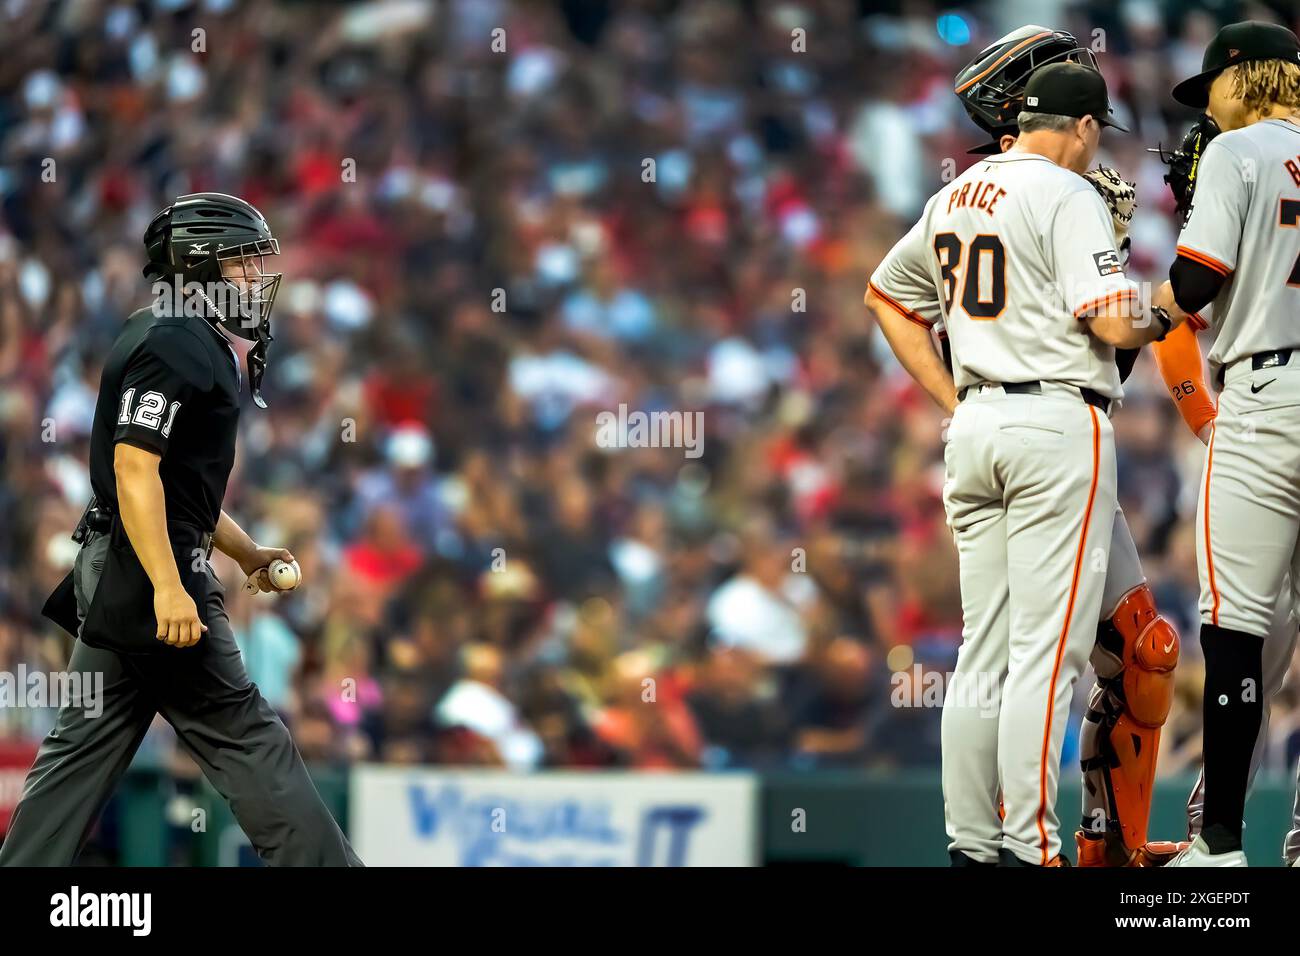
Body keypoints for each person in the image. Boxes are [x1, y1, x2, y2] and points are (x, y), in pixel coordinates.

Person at [867, 62, 1184, 866]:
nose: (1093, 154)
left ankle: (972, 846)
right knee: (1048, 654)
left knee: (984, 652)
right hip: (1052, 425)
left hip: (976, 425)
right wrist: (1168, 305)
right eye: (1093, 136)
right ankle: (1032, 846)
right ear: (1080, 127)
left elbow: (888, 299)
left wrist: (955, 401)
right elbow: (1115, 327)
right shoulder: (1066, 193)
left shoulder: (954, 195)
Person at [0, 193, 362, 867]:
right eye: (242, 264)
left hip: (131, 562)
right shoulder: (175, 340)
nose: (256, 281)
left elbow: (171, 486)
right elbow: (134, 468)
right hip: (149, 572)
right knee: (248, 737)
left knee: (78, 757)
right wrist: (168, 587)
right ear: (197, 268)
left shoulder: (176, 334)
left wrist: (246, 551)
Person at [1152, 21, 1300, 867]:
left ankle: (1220, 844)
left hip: (1266, 397)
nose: (1204, 105)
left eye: (1209, 86)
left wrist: (1137, 300)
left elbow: (1194, 287)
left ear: (1242, 79)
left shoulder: (1237, 155)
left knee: (1235, 628)